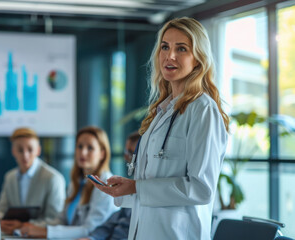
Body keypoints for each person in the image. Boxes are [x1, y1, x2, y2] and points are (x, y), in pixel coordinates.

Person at [89, 17, 229, 240]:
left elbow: (202, 189)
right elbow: (150, 188)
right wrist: (124, 190)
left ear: (198, 59)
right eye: (165, 46)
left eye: (181, 48)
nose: (169, 56)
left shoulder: (203, 110)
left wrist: (137, 187)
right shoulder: (161, 112)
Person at [20, 126, 119, 238]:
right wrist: (29, 226)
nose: (83, 152)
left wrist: (45, 232)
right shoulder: (77, 183)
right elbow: (61, 221)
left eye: (90, 148)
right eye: (79, 146)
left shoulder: (106, 184)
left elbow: (91, 230)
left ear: (102, 154)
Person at [0, 127, 66, 234]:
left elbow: (56, 220)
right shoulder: (10, 177)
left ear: (38, 150)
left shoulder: (53, 178)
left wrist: (23, 226)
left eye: (30, 149)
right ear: (13, 151)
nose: (25, 155)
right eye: (20, 150)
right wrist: (1, 222)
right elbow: (0, 211)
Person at [80, 132, 140, 240]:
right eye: (126, 152)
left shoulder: (143, 192)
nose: (126, 157)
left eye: (131, 153)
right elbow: (110, 224)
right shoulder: (133, 189)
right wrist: (92, 238)